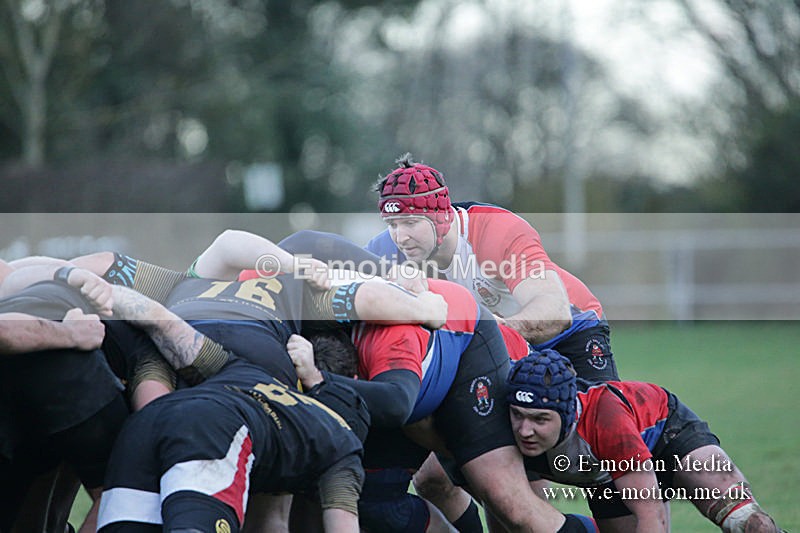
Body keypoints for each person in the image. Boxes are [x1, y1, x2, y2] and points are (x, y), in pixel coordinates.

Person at [290, 279, 598, 533]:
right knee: (379, 498)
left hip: (469, 347)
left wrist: (319, 382)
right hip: (414, 381)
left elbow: (396, 403)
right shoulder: (298, 322)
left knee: (508, 504)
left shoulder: (391, 341)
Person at [505, 349, 783, 533]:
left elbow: (651, 515)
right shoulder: (502, 431)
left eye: (540, 419)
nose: (525, 430)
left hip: (667, 434)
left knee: (748, 523)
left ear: (567, 414)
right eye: (518, 415)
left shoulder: (604, 420)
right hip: (606, 476)